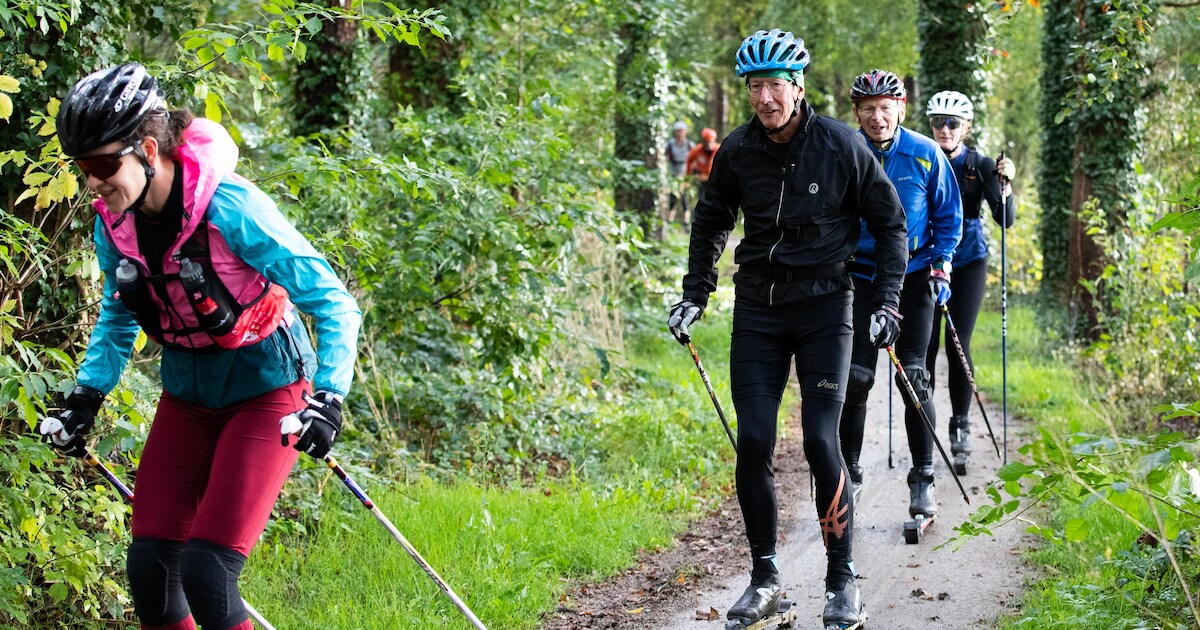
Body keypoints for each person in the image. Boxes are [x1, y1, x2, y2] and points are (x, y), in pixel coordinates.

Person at [39, 62, 361, 630]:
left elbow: (333, 301)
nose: (91, 181)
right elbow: (119, 313)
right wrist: (86, 396)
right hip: (187, 392)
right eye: (81, 166)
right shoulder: (113, 224)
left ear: (145, 148)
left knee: (208, 571)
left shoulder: (230, 208)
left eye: (100, 163)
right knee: (150, 570)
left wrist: (330, 396)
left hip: (267, 389)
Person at [667, 30, 907, 629]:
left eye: (776, 85)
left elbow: (891, 223)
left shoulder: (842, 145)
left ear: (797, 87)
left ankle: (840, 579)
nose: (766, 98)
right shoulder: (737, 150)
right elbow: (711, 222)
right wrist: (696, 292)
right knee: (753, 440)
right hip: (758, 309)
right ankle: (765, 577)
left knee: (823, 443)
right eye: (756, 86)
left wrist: (888, 302)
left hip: (827, 307)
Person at [838, 69, 963, 520]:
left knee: (914, 376)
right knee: (855, 377)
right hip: (861, 277)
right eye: (868, 109)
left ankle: (923, 478)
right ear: (857, 112)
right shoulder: (844, 152)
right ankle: (849, 473)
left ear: (901, 108)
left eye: (885, 109)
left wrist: (941, 264)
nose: (877, 118)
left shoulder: (927, 153)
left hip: (913, 277)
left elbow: (949, 216)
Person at [922, 90, 1016, 468]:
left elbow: (1004, 219)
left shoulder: (978, 164)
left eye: (952, 123)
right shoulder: (921, 158)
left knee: (957, 341)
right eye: (938, 122)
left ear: (966, 127)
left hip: (968, 261)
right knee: (923, 345)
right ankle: (923, 419)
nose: (944, 129)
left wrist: (1007, 185)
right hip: (926, 261)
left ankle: (960, 424)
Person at [664, 120, 695, 226]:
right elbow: (665, 158)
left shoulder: (689, 144)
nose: (680, 133)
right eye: (678, 131)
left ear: (685, 132)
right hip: (673, 174)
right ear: (675, 132)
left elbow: (694, 159)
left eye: (682, 131)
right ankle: (669, 221)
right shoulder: (670, 144)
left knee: (685, 199)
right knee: (672, 198)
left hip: (685, 175)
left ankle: (685, 222)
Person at [685, 127, 721, 196]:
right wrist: (688, 178)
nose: (708, 144)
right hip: (702, 179)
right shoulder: (697, 150)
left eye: (710, 141)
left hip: (715, 179)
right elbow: (689, 160)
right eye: (706, 141)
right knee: (702, 197)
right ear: (703, 141)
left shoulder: (719, 149)